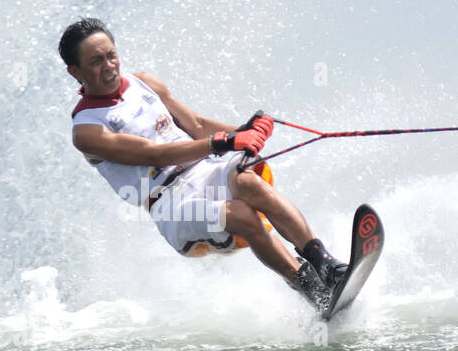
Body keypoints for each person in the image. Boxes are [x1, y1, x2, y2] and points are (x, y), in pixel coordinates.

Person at [59, 17, 347, 309]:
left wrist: (243, 132)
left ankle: (327, 266)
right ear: (75, 72)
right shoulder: (87, 131)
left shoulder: (144, 82)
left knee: (249, 182)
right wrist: (221, 143)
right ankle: (310, 288)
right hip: (170, 203)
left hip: (205, 170)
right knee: (242, 215)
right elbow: (155, 154)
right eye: (96, 61)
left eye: (111, 55)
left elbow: (196, 124)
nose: (108, 66)